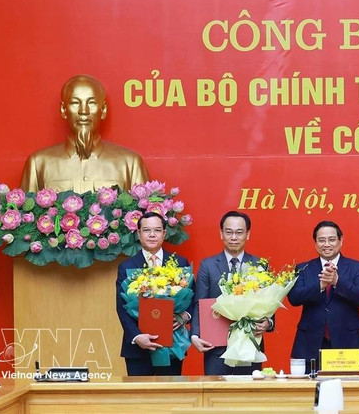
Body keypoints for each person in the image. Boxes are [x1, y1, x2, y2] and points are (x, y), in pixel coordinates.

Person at [20, 74, 148, 193]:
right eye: (75, 103)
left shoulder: (130, 164)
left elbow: (147, 209)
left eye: (91, 103)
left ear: (103, 110)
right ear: (63, 109)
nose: (84, 111)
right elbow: (26, 208)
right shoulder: (38, 164)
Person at [190, 211, 273, 375]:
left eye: (239, 232)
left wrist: (268, 323)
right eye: (229, 232)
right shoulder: (208, 265)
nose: (234, 237)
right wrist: (194, 335)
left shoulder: (260, 265)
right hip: (216, 347)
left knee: (247, 390)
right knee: (216, 389)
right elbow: (199, 303)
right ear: (221, 234)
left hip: (250, 344)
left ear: (248, 234)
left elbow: (269, 302)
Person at [116, 212, 190, 375]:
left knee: (170, 390)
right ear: (139, 233)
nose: (152, 234)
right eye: (146, 230)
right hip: (138, 349)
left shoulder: (180, 263)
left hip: (172, 345)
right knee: (140, 391)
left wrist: (185, 316)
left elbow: (191, 299)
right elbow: (121, 307)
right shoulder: (127, 266)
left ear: (164, 233)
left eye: (157, 230)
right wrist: (136, 336)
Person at [288, 220, 359, 365]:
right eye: (322, 240)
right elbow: (294, 298)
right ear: (315, 243)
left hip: (346, 341)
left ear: (340, 241)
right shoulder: (303, 268)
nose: (326, 244)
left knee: (347, 381)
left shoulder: (356, 267)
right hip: (310, 342)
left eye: (332, 239)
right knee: (310, 380)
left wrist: (337, 282)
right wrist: (320, 285)